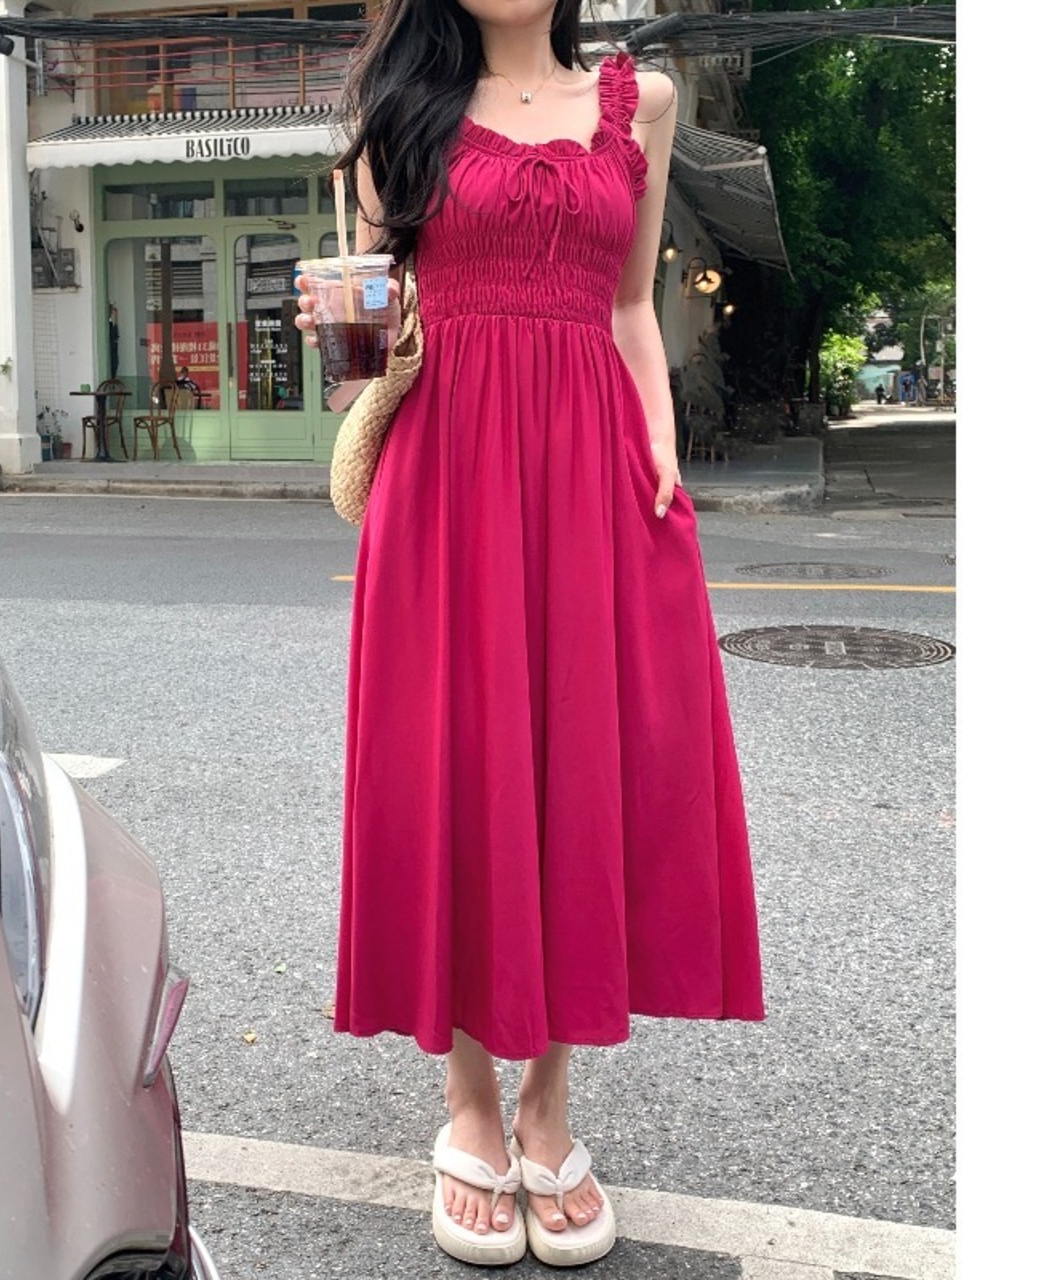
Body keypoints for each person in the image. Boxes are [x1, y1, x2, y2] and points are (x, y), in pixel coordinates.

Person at [294, 2, 764, 1268]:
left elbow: (629, 306)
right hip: (445, 479)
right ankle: (465, 1103)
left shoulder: (639, 103)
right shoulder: (398, 110)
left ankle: (547, 1105)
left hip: (594, 476)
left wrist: (658, 440)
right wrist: (341, 303)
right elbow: (366, 327)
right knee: (451, 770)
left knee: (583, 773)